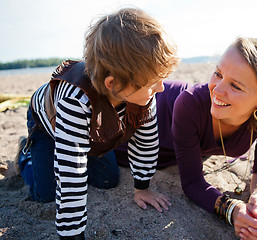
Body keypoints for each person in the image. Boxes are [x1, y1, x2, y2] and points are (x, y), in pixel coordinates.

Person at [16, 8, 179, 239]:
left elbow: (146, 141)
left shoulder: (144, 95)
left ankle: (81, 144)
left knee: (108, 180)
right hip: (46, 123)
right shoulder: (74, 101)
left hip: (92, 128)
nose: (161, 88)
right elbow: (70, 175)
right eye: (153, 83)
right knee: (46, 193)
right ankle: (26, 155)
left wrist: (142, 187)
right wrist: (72, 234)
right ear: (114, 83)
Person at [117, 37, 257, 239]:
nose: (217, 89)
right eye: (218, 74)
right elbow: (191, 182)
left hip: (181, 150)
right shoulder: (189, 104)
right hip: (131, 132)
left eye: (235, 86)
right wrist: (232, 210)